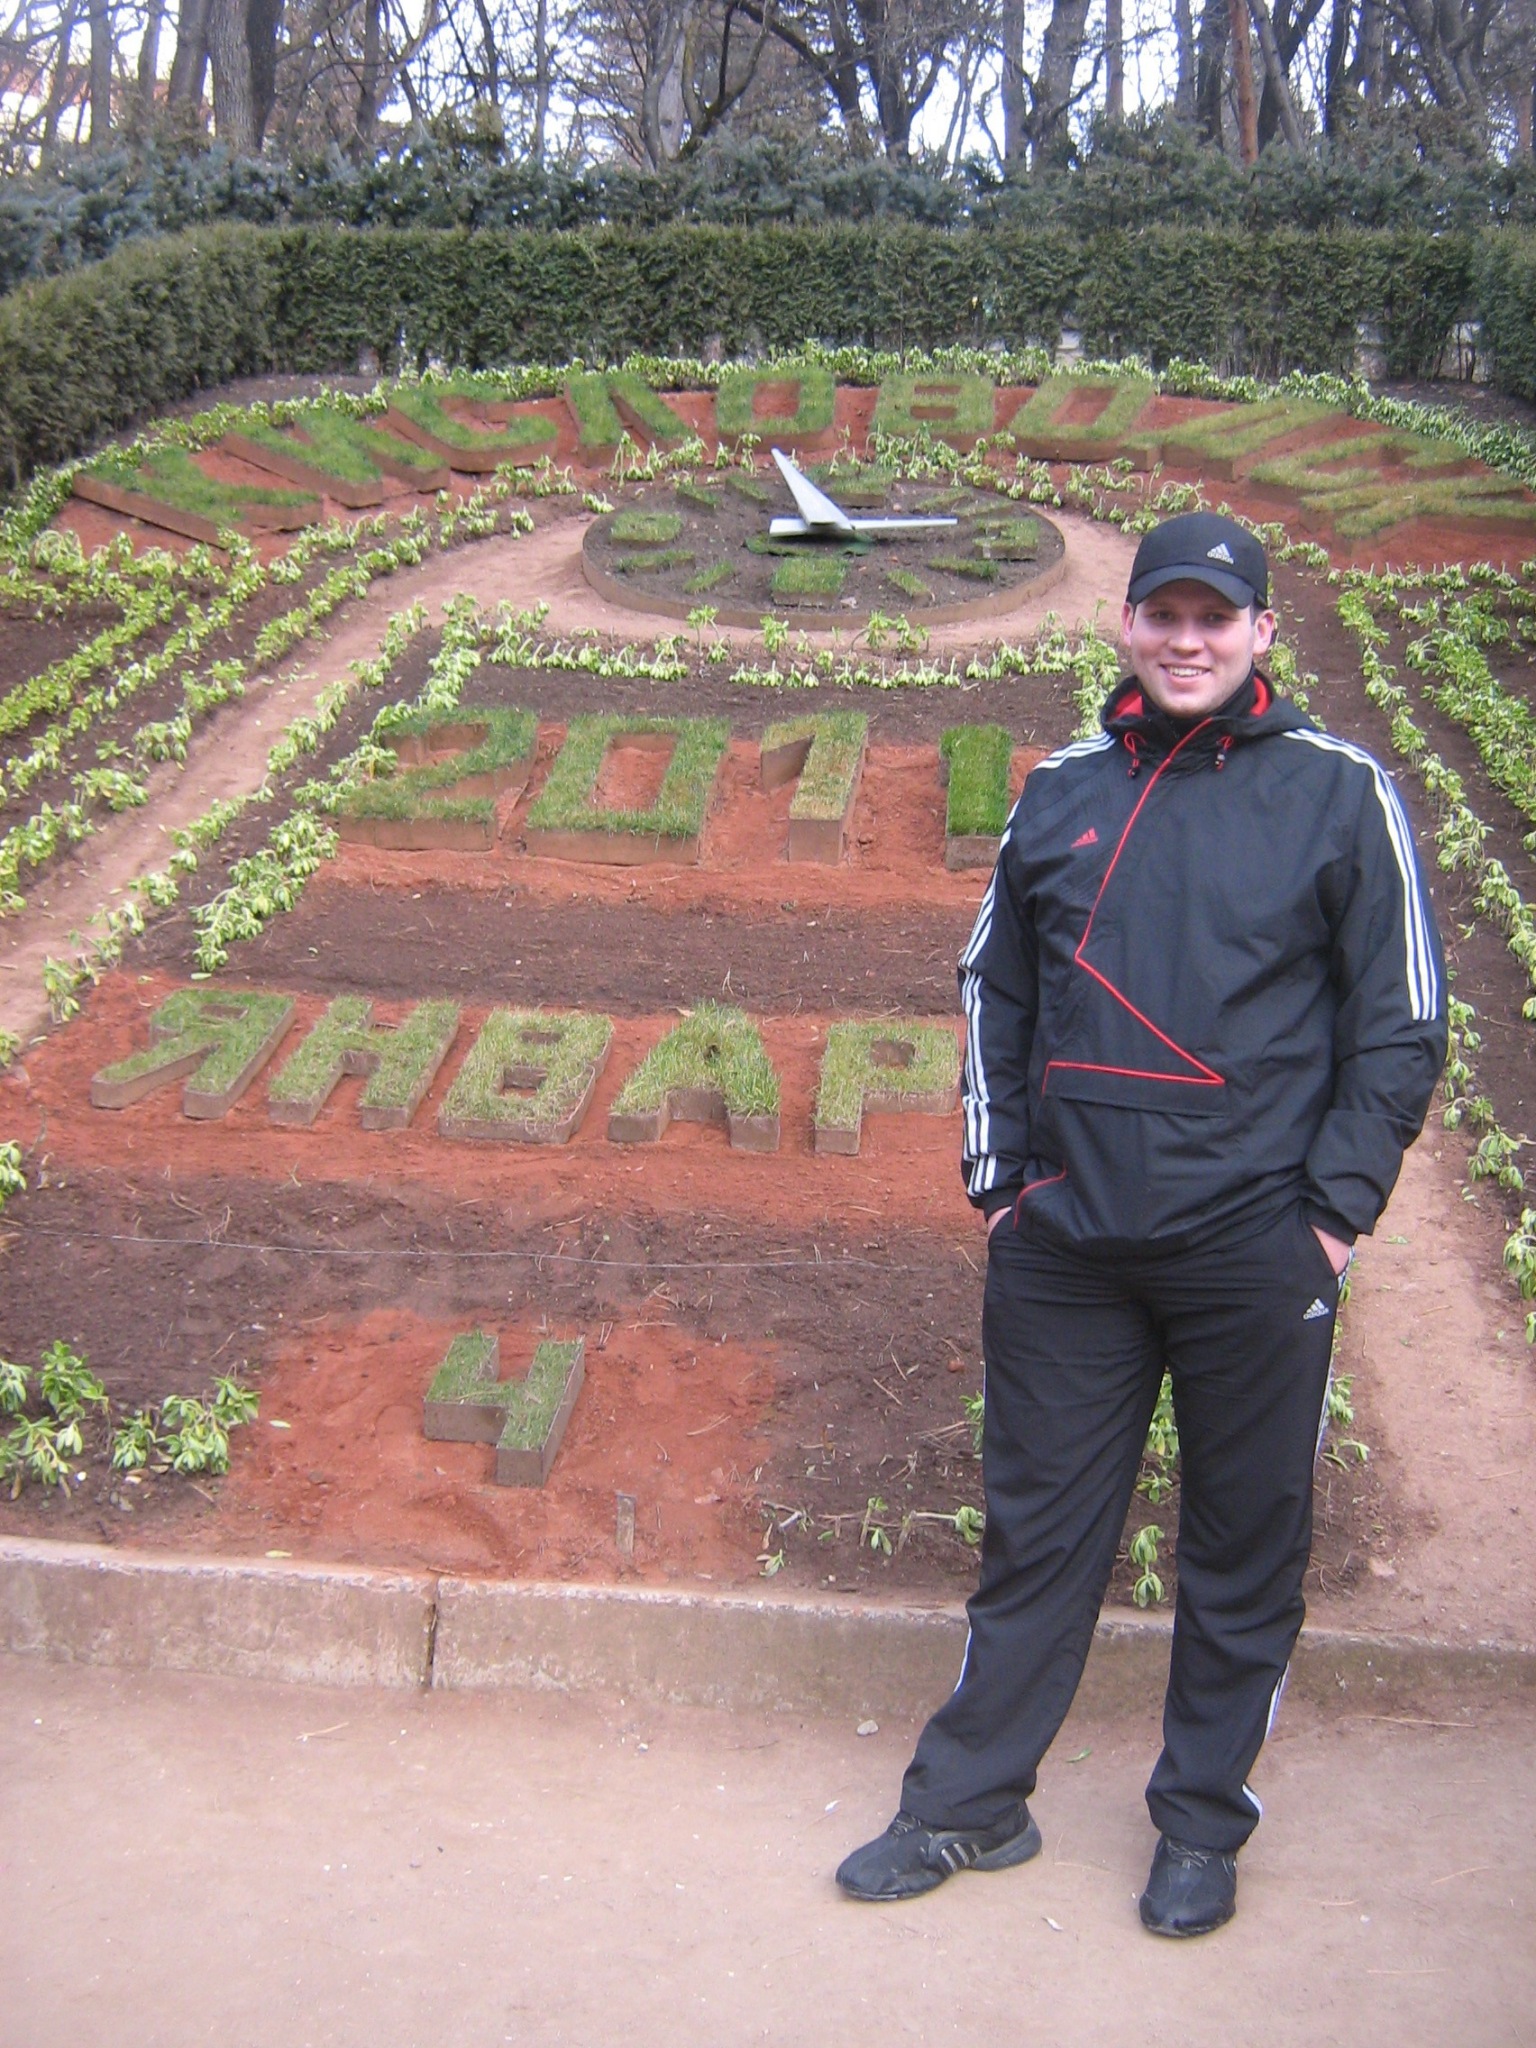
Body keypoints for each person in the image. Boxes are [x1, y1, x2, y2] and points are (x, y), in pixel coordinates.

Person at [835, 511, 1447, 1936]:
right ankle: (970, 1806)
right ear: (1124, 626)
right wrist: (1004, 1189)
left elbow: (1401, 1023)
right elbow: (996, 987)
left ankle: (1200, 1825)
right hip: (1070, 1251)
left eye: (1213, 618)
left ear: (1260, 635)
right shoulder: (1060, 789)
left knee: (1244, 1544)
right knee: (1036, 1537)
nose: (1186, 641)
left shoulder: (1339, 790)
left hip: (1255, 1251)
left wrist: (1331, 1220)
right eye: (1162, 615)